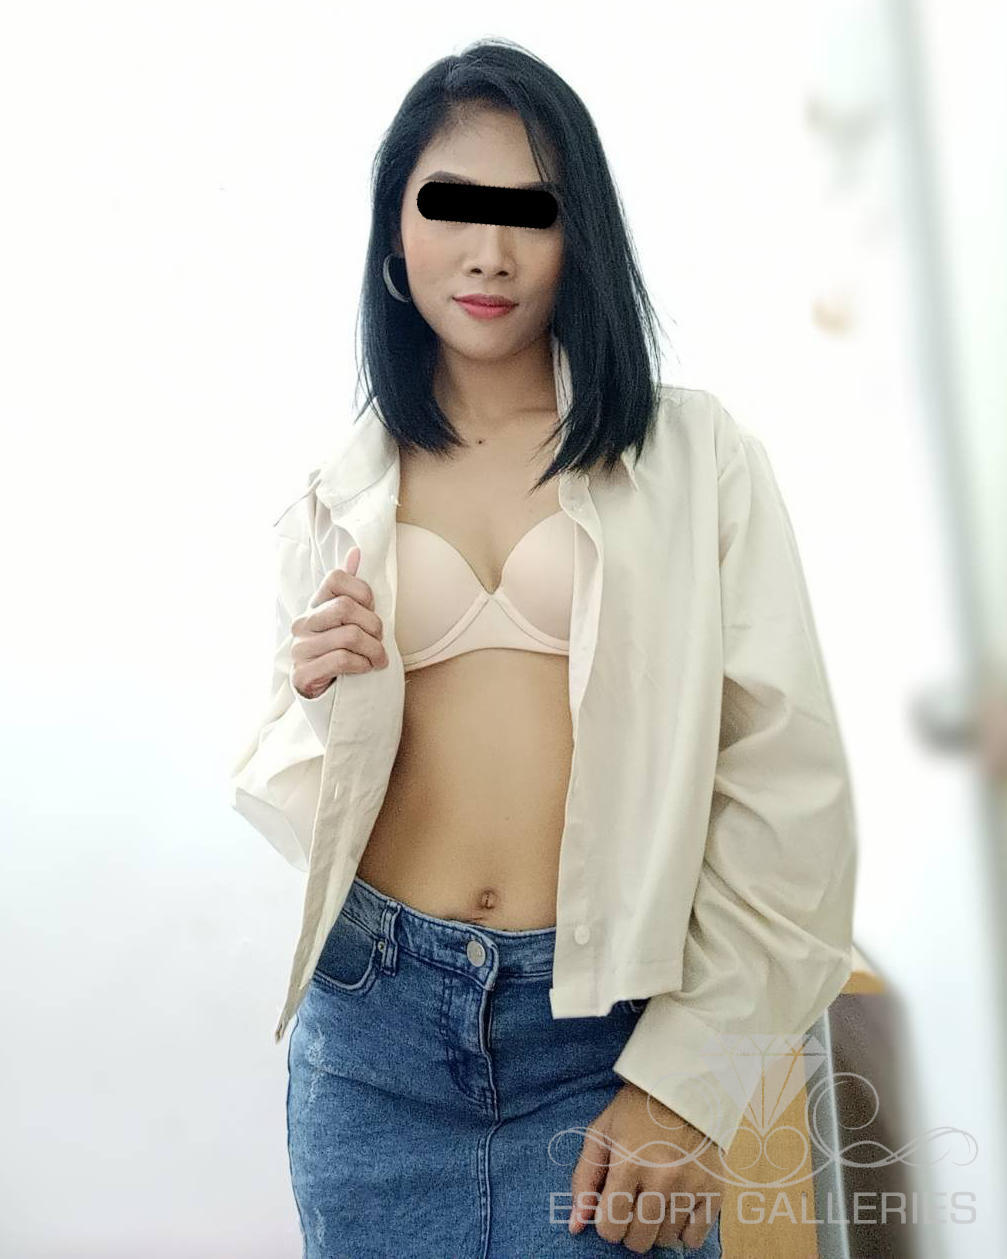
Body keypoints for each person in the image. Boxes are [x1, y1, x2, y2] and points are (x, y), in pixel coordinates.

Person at [230, 37, 857, 1259]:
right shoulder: (333, 493)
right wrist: (320, 701)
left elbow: (789, 792)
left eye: (530, 211)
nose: (489, 250)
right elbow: (298, 799)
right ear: (393, 234)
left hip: (607, 1045)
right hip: (371, 1042)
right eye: (449, 206)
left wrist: (689, 1078)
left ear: (582, 238)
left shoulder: (694, 458)